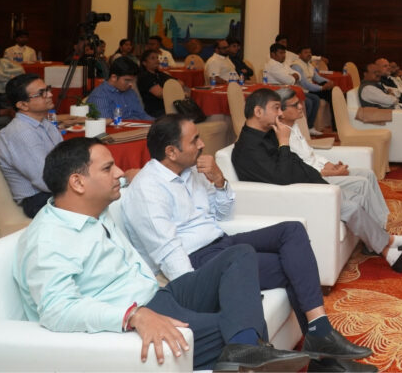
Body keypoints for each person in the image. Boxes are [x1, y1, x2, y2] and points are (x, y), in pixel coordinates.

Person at [13, 137, 312, 371]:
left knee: (240, 254)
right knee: (234, 325)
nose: (119, 173)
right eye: (108, 169)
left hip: (160, 294)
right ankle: (248, 354)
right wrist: (133, 316)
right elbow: (56, 310)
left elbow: (133, 180)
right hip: (135, 316)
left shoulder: (92, 209)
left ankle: (246, 355)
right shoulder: (49, 239)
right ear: (78, 183)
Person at [119, 115, 374, 366]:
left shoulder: (192, 171)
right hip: (199, 262)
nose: (202, 144)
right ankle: (324, 358)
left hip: (221, 243)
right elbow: (170, 255)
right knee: (273, 262)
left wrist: (219, 181)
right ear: (171, 152)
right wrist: (215, 288)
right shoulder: (148, 190)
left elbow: (222, 214)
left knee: (292, 231)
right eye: (194, 140)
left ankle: (319, 330)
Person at [231, 89, 402, 273]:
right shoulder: (248, 149)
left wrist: (320, 175)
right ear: (258, 111)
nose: (280, 113)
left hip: (309, 185)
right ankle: (394, 243)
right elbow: (282, 179)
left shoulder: (268, 133)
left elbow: (296, 163)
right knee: (352, 207)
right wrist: (284, 143)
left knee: (357, 197)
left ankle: (392, 253)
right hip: (293, 197)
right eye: (276, 108)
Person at [277, 88, 388, 227]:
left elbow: (310, 153)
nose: (301, 107)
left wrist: (330, 164)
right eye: (295, 105)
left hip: (322, 170)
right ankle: (379, 227)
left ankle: (384, 219)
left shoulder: (294, 125)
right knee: (362, 183)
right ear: (280, 112)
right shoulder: (281, 136)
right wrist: (332, 172)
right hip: (317, 178)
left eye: (299, 102)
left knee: (368, 174)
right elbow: (302, 170)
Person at [0, 73, 62, 218]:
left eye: (48, 89)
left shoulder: (46, 124)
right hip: (38, 199)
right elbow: (44, 180)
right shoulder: (20, 132)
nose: (50, 94)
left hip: (55, 190)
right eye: (41, 93)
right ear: (23, 105)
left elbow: (67, 160)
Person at [89, 56, 153, 122]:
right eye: (127, 80)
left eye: (133, 80)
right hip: (117, 128)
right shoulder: (100, 95)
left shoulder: (130, 91)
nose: (131, 84)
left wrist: (156, 123)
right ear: (114, 77)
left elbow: (142, 115)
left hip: (136, 126)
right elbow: (105, 124)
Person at [291, 46, 335, 135]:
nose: (309, 54)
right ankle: (310, 126)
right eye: (305, 52)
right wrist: (322, 88)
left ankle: (335, 124)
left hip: (311, 89)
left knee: (332, 93)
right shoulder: (296, 66)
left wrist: (328, 82)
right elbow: (305, 84)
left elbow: (317, 78)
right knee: (325, 95)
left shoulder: (309, 64)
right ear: (299, 55)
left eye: (309, 52)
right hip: (304, 90)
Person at [137, 49, 190, 118]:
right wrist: (175, 90)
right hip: (156, 110)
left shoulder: (160, 74)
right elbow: (160, 94)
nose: (157, 60)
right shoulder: (144, 77)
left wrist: (169, 90)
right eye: (153, 58)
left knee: (190, 113)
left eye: (157, 58)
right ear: (144, 63)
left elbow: (181, 83)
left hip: (170, 107)